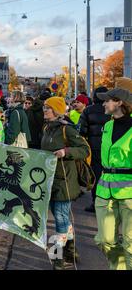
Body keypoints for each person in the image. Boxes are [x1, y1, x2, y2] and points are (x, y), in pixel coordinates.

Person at [41, 96, 90, 270]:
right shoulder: (47, 128)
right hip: (51, 180)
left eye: (47, 108)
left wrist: (65, 151)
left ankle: (58, 257)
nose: (44, 110)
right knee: (59, 215)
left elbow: (85, 150)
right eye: (44, 107)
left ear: (56, 110)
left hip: (66, 181)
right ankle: (71, 248)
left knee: (60, 217)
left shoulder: (66, 129)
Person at [94, 88, 132, 270]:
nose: (103, 104)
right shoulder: (107, 126)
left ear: (119, 103)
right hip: (104, 189)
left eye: (107, 100)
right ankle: (119, 267)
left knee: (130, 243)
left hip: (129, 193)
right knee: (104, 240)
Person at [79, 87, 111, 213]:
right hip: (110, 146)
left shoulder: (88, 110)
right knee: (110, 174)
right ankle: (110, 201)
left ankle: (96, 202)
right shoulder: (111, 109)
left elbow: (82, 130)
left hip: (94, 147)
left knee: (96, 174)